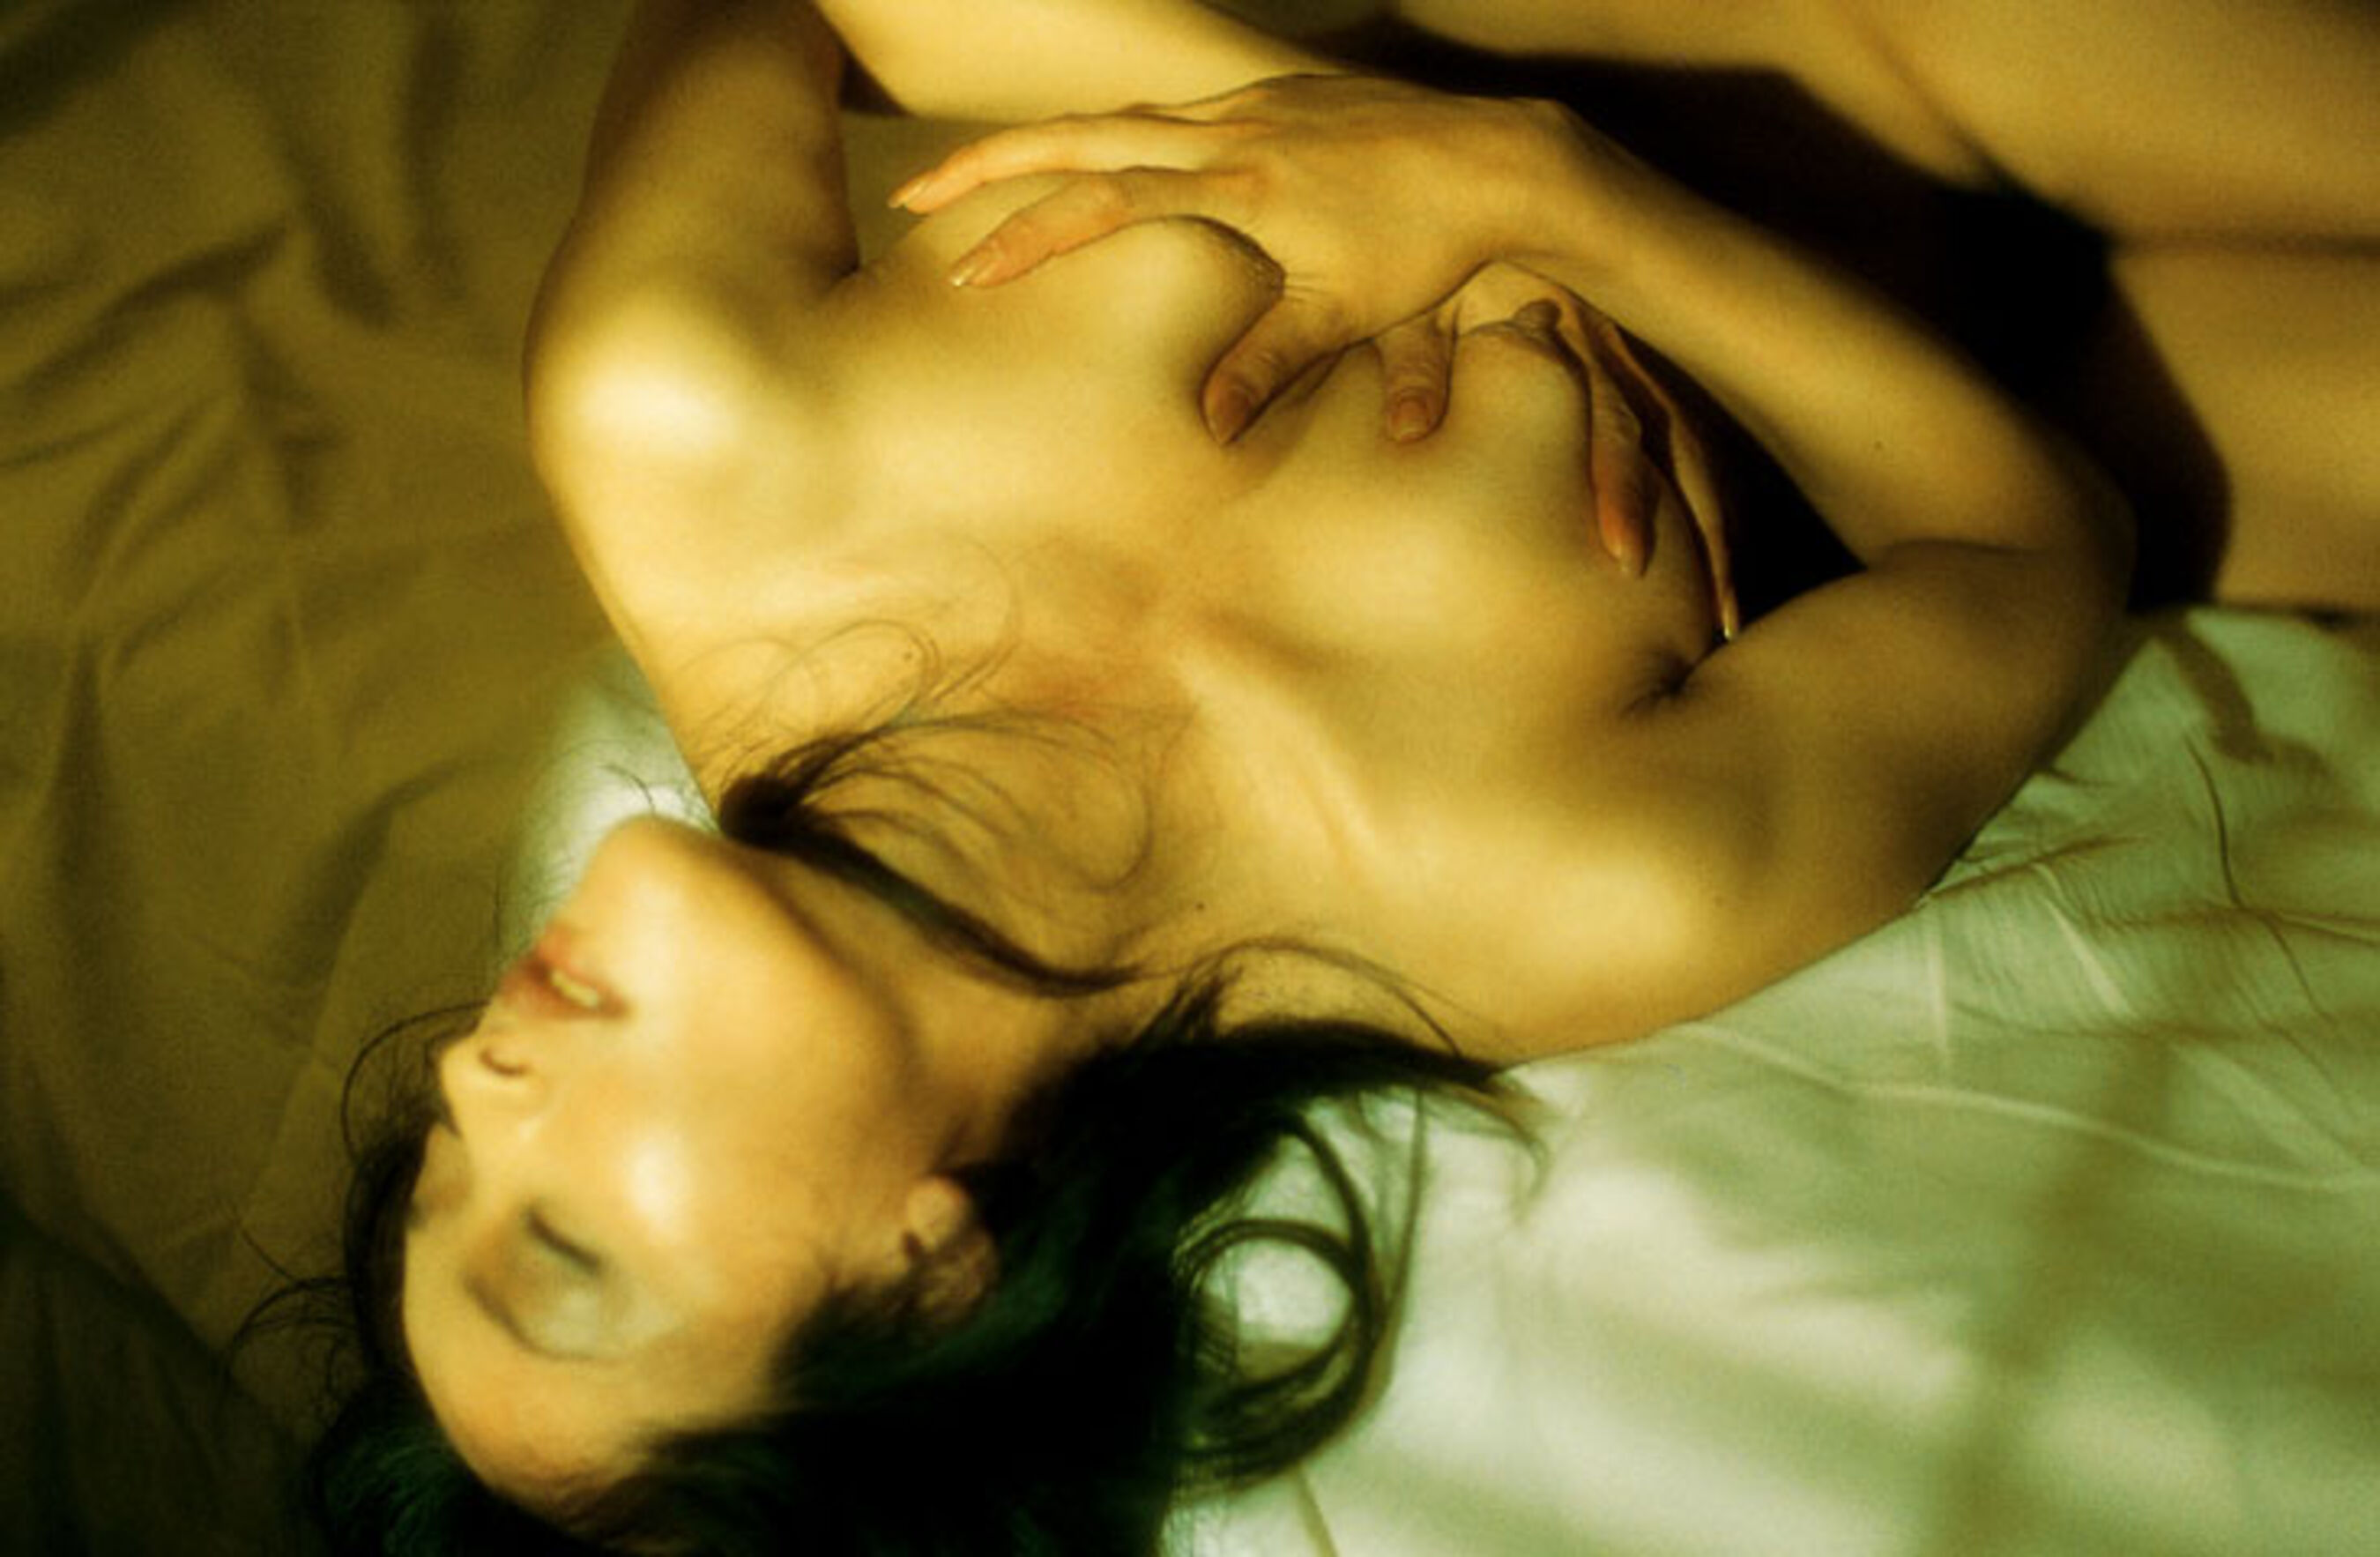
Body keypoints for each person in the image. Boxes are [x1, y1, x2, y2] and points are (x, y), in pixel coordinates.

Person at [298, 0, 2376, 1552]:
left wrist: (1383, 130)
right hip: (1904, 372)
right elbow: (2030, 545)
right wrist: (1538, 203)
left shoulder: (688, 434)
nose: (477, 1081)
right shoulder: (1520, 898)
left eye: (439, 1163)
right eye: (557, 1251)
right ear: (923, 1278)